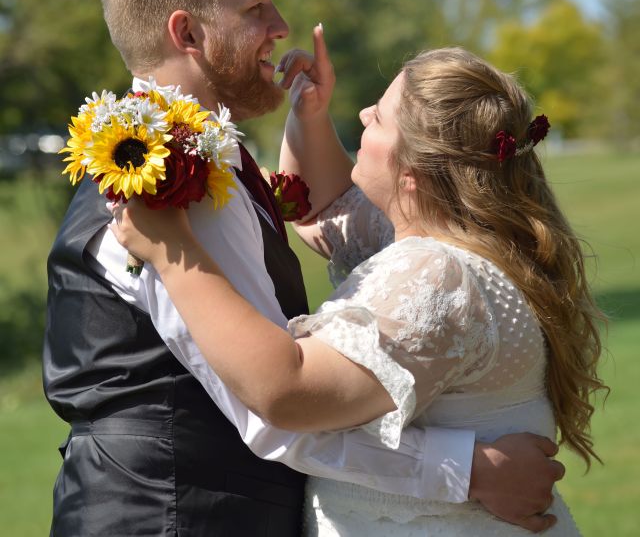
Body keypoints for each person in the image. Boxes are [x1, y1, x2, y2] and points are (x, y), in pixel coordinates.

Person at [44, 0, 565, 536]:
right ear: (187, 33)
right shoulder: (160, 190)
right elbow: (275, 406)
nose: (281, 25)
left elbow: (329, 212)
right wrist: (467, 472)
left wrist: (307, 117)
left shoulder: (206, 161)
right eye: (257, 7)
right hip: (167, 517)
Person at [111, 44, 606, 535]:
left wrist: (174, 254)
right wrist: (310, 113)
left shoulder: (436, 274)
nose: (365, 112)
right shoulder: (466, 237)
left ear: (412, 174)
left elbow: (290, 392)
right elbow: (324, 208)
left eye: (381, 118)